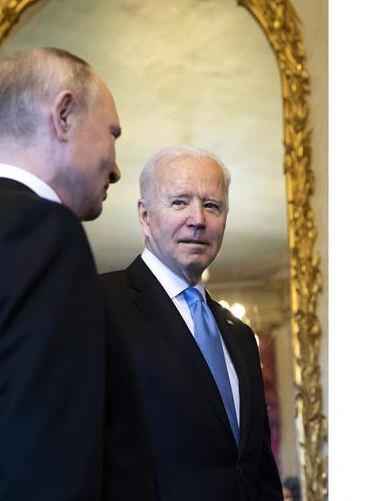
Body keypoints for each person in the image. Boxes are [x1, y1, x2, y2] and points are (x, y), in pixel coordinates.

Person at [0, 48, 155, 500]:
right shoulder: (40, 233)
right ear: (63, 114)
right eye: (112, 134)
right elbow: (44, 472)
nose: (118, 167)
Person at [100, 145, 284, 500]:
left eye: (211, 205)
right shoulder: (99, 304)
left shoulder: (241, 336)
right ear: (144, 215)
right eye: (179, 202)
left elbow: (256, 468)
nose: (198, 219)